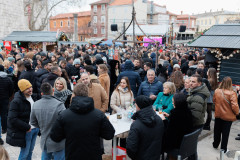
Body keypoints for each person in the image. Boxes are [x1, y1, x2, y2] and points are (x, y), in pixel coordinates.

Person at [50, 83, 115, 160]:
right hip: (93, 155)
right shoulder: (98, 115)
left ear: (74, 94)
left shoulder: (64, 115)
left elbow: (55, 136)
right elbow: (109, 134)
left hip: (72, 155)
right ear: (88, 94)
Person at [30, 82, 65, 160]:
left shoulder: (36, 104)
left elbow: (32, 122)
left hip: (45, 139)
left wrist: (42, 126)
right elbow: (65, 122)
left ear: (42, 93)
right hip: (58, 141)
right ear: (53, 90)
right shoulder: (59, 104)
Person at [7, 79, 39, 160]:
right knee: (24, 153)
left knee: (30, 152)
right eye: (27, 88)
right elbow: (12, 118)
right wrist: (27, 127)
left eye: (30, 87)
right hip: (27, 130)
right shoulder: (16, 101)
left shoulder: (34, 97)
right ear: (22, 90)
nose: (30, 89)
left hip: (35, 129)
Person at [126, 95, 164, 160]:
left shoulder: (136, 125)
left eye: (136, 103)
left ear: (139, 106)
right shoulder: (159, 120)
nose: (135, 104)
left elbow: (131, 148)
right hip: (155, 156)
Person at [212, 77, 239, 153]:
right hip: (228, 116)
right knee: (225, 133)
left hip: (218, 114)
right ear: (230, 83)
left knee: (217, 130)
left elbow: (214, 101)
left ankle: (215, 144)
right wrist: (237, 113)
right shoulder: (232, 93)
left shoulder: (217, 91)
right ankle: (223, 149)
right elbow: (235, 106)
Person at [163, 93, 193, 160]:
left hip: (177, 143)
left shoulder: (175, 113)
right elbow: (180, 124)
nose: (172, 103)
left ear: (178, 102)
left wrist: (164, 121)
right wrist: (169, 116)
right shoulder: (188, 111)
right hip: (186, 141)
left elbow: (169, 132)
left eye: (173, 102)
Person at [110, 76, 134, 148]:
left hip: (126, 115)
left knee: (124, 134)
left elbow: (131, 103)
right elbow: (112, 104)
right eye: (121, 83)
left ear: (127, 84)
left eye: (124, 83)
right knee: (116, 134)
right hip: (117, 115)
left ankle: (122, 152)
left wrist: (128, 109)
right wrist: (119, 110)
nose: (122, 84)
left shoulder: (130, 92)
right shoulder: (115, 92)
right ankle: (114, 151)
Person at [0, 65, 14, 143]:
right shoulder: (8, 79)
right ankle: (4, 128)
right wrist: (8, 96)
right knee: (4, 114)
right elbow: (11, 89)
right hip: (5, 99)